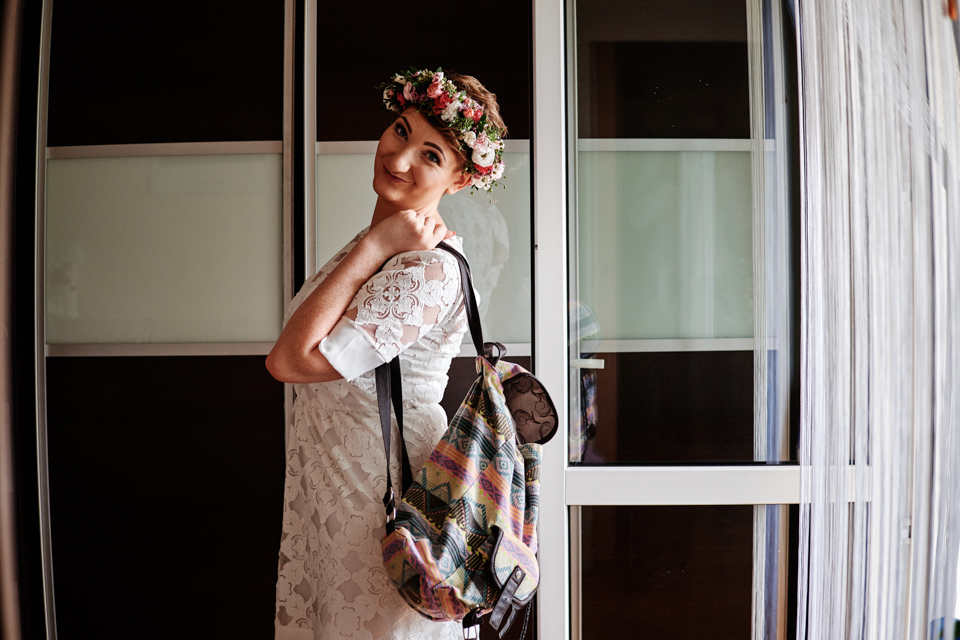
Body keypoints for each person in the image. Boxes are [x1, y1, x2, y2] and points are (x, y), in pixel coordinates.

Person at [267, 68, 507, 640]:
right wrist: (375, 244)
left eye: (430, 155)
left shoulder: (425, 268)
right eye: (401, 130)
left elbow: (289, 362)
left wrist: (378, 242)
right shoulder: (377, 247)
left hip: (382, 496)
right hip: (334, 483)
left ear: (459, 179)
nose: (399, 159)